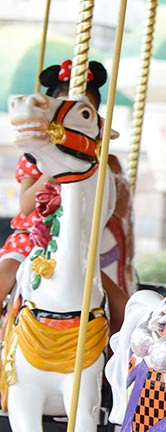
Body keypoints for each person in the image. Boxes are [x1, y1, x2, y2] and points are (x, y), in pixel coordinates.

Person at [0, 60, 134, 334]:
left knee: (124, 305)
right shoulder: (34, 157)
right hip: (34, 236)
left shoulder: (97, 159)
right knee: (4, 275)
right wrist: (52, 169)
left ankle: (121, 365)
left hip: (77, 243)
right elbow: (26, 206)